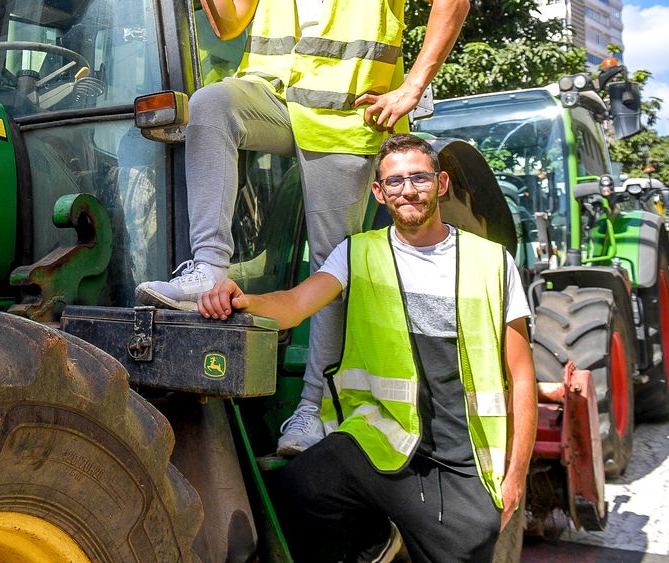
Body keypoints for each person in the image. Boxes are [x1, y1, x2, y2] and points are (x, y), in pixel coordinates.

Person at [134, 0, 470, 455]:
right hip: (278, 102)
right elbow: (230, 22)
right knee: (210, 105)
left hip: (345, 121)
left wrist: (408, 92)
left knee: (329, 266)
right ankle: (209, 269)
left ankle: (311, 409)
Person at [198, 134, 536, 562]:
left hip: (461, 457)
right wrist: (242, 299)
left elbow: (522, 377)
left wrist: (516, 479)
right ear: (378, 192)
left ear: (442, 183)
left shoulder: (492, 262)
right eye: (394, 182)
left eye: (419, 178)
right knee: (298, 490)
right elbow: (295, 305)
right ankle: (373, 544)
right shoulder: (357, 252)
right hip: (382, 443)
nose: (407, 190)